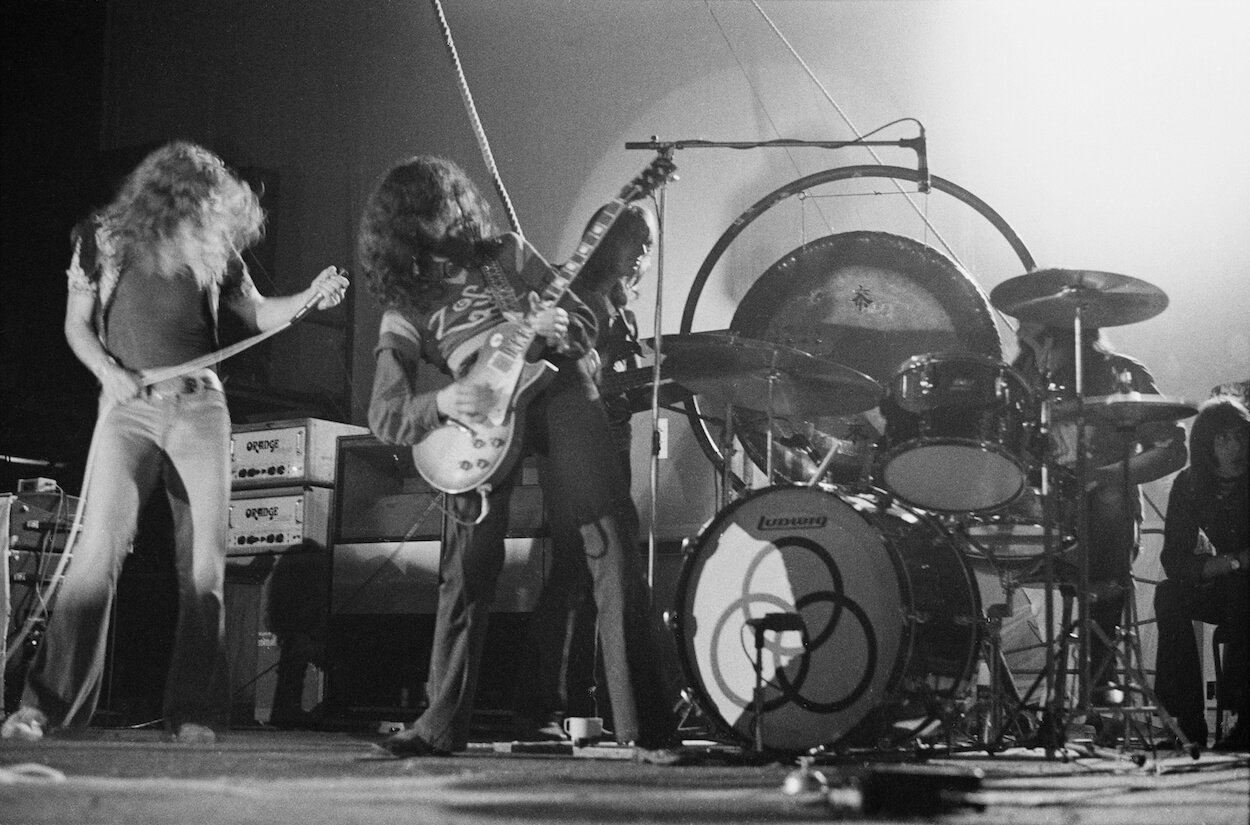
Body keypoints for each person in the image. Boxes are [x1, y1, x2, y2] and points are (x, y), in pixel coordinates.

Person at [0, 141, 348, 744]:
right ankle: (46, 708)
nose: (214, 211)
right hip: (131, 410)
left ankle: (194, 713)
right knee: (95, 560)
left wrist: (308, 299)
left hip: (201, 410)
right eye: (204, 200)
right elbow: (75, 325)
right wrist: (109, 372)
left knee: (204, 569)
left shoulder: (216, 249)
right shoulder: (103, 237)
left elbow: (259, 313)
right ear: (173, 194)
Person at [359, 156, 676, 756]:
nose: (444, 220)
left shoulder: (505, 253)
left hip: (557, 387)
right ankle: (438, 726)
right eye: (425, 215)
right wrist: (446, 400)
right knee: (467, 570)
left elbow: (581, 324)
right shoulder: (406, 306)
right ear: (402, 230)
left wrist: (564, 326)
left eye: (448, 205)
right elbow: (385, 411)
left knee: (609, 540)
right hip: (475, 421)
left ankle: (647, 729)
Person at [510, 203, 664, 738]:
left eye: (649, 247)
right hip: (570, 442)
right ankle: (545, 705)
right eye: (636, 242)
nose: (644, 256)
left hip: (607, 440)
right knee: (579, 569)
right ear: (607, 239)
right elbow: (549, 366)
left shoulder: (622, 310)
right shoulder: (571, 290)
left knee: (583, 575)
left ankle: (571, 702)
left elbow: (615, 385)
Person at [1013, 324, 1187, 706]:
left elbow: (1173, 450)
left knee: (1109, 501)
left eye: (1039, 342)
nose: (1035, 354)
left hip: (1105, 521)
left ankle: (1100, 684)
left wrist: (1105, 476)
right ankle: (997, 694)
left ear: (1061, 336)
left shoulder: (1119, 374)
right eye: (1026, 344)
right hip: (1040, 515)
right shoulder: (1020, 382)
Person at [1154, 397, 1249, 750]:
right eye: (1224, 440)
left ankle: (1241, 720)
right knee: (1169, 595)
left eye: (1241, 436)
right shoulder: (1190, 484)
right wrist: (1229, 562)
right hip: (1231, 578)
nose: (1236, 447)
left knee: (1243, 591)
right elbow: (1173, 560)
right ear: (1206, 446)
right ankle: (1186, 722)